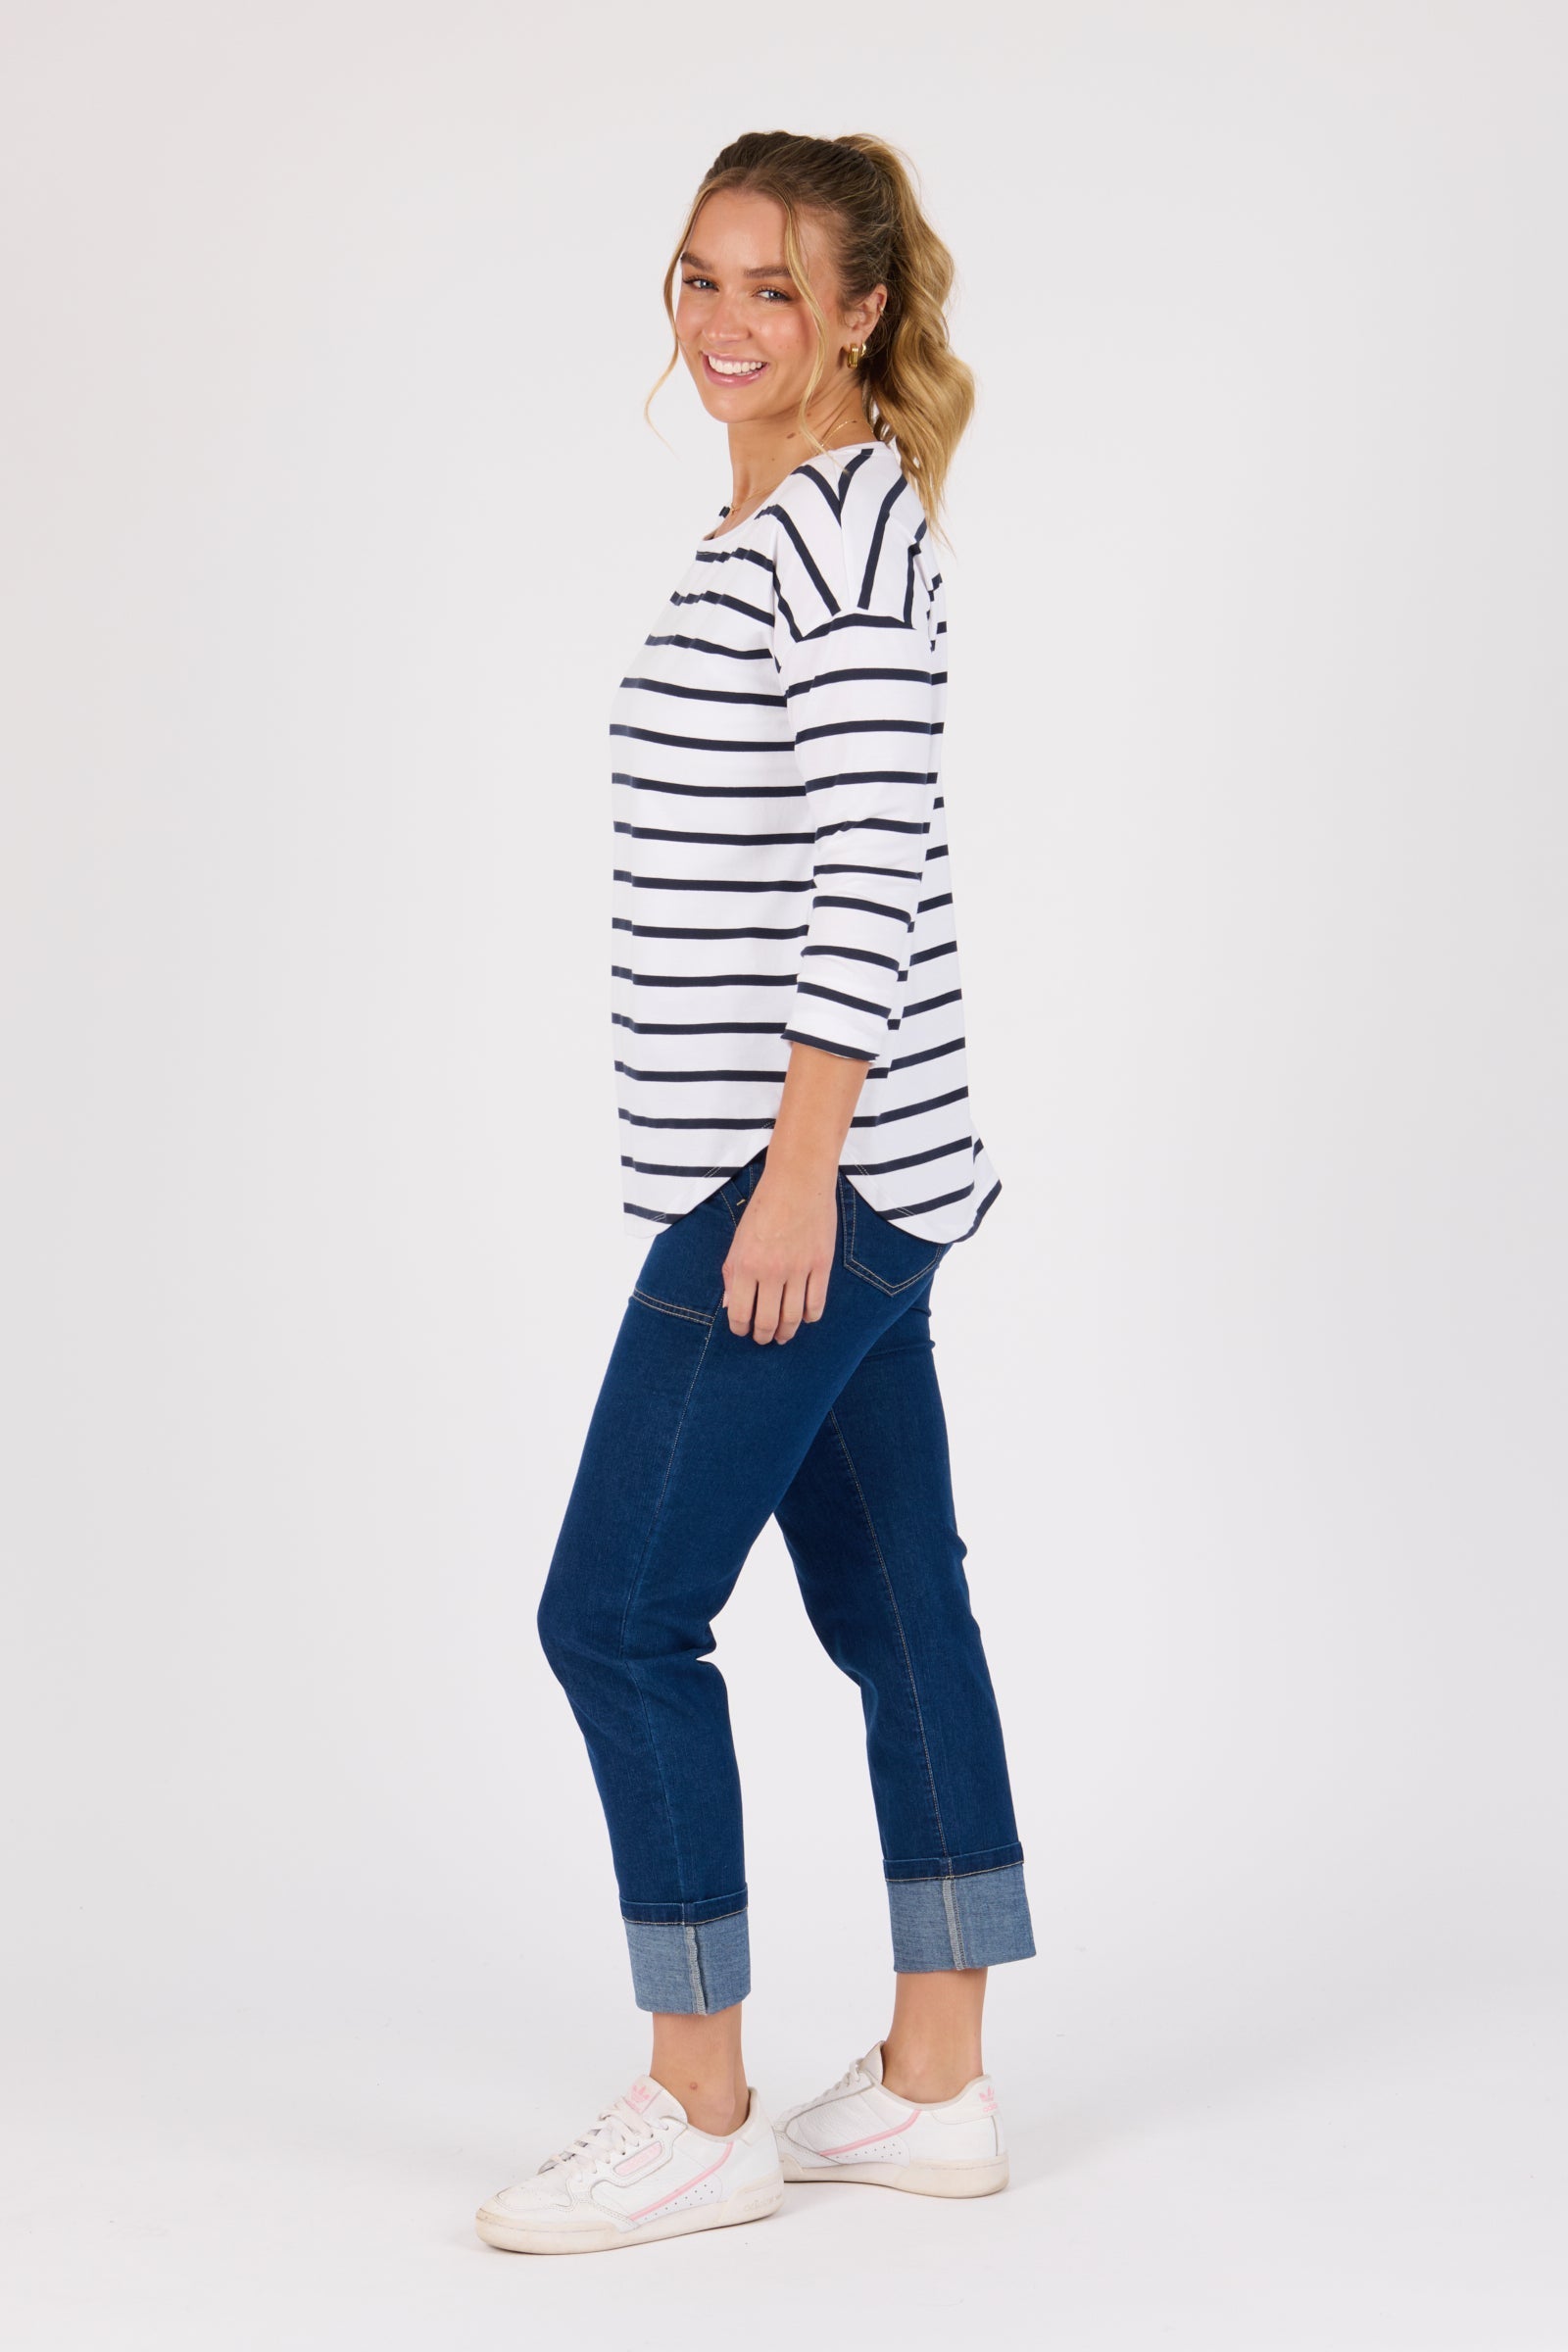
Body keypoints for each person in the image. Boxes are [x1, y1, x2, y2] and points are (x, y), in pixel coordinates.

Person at [475, 129, 1035, 2259]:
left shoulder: (839, 546)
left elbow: (871, 874)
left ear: (860, 313)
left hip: (798, 1185)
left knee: (613, 1615)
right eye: (698, 279)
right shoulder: (787, 525)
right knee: (900, 1607)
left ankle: (697, 2106)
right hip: (848, 1175)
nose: (722, 323)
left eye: (773, 288)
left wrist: (794, 1179)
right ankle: (934, 2084)